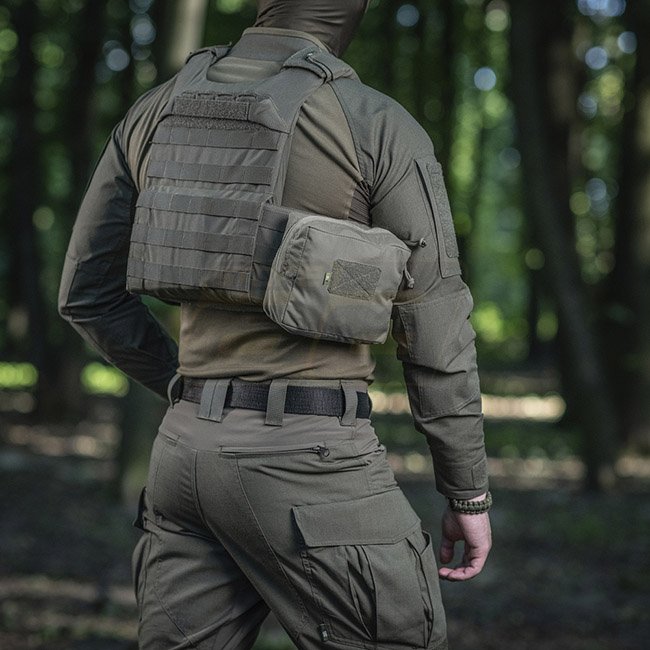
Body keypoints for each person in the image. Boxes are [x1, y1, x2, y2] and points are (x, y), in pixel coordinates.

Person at [59, 1, 492, 648]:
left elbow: (86, 295)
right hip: (311, 464)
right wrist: (467, 492)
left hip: (182, 459)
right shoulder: (373, 123)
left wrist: (191, 388)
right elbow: (435, 324)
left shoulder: (155, 110)